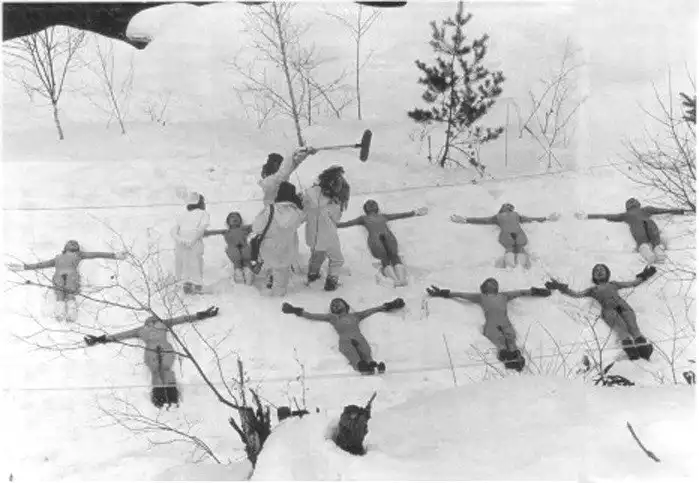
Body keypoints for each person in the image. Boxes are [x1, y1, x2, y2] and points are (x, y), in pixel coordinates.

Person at [84, 306, 220, 409]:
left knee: (158, 372)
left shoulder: (144, 329)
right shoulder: (160, 324)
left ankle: (161, 398)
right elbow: (182, 318)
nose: (152, 322)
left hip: (153, 350)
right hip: (164, 349)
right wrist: (200, 315)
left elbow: (121, 335)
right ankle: (170, 397)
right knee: (164, 370)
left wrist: (101, 339)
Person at [426, 279, 552, 371]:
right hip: (492, 323)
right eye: (489, 283)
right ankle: (505, 355)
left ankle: (515, 356)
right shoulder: (481, 297)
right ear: (485, 288)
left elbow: (520, 292)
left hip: (505, 322)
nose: (492, 284)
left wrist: (535, 291)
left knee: (510, 338)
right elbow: (462, 295)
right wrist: (444, 293)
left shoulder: (504, 295)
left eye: (494, 283)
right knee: (499, 340)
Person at [545, 264, 657, 360]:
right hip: (609, 310)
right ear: (594, 276)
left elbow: (632, 283)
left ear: (607, 273)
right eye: (596, 271)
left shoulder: (613, 284)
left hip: (623, 306)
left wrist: (644, 275)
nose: (599, 271)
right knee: (621, 329)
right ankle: (632, 353)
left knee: (633, 327)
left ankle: (644, 351)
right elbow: (576, 294)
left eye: (602, 269)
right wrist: (562, 288)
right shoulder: (592, 290)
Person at [6, 240, 126, 321]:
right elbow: (96, 254)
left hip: (58, 276)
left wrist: (23, 267)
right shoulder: (78, 255)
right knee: (69, 296)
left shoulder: (59, 257)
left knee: (60, 296)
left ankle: (60, 314)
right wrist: (114, 255)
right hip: (71, 276)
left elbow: (41, 264)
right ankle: (70, 315)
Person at [281, 297, 405, 374]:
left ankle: (372, 363)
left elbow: (371, 310)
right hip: (345, 339)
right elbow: (312, 316)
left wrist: (389, 305)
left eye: (338, 303)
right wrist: (295, 310)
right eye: (333, 305)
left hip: (358, 336)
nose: (335, 305)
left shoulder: (355, 316)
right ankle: (359, 365)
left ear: (345, 306)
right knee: (349, 350)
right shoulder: (332, 317)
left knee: (365, 349)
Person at [336, 200, 429, 287]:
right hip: (389, 237)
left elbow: (346, 224)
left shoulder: (363, 218)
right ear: (377, 209)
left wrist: (331, 224)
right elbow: (399, 215)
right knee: (395, 256)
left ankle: (395, 280)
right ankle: (402, 279)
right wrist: (415, 212)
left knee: (384, 259)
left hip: (375, 240)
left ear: (365, 210)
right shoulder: (383, 216)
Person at [575, 198, 689, 263]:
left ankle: (647, 252)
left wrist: (588, 216)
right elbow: (662, 210)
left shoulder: (626, 215)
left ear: (627, 207)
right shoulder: (646, 209)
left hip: (637, 228)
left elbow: (608, 216)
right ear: (638, 204)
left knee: (642, 243)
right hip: (649, 224)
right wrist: (678, 211)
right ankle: (658, 250)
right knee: (655, 240)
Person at [451, 203, 559, 269]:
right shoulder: (516, 215)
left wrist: (465, 220)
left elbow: (483, 220)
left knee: (510, 249)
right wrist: (546, 218)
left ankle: (511, 267)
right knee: (520, 248)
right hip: (519, 234)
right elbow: (531, 219)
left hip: (507, 236)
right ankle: (521, 268)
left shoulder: (499, 216)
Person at [251, 181, 306, 296]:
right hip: (287, 249)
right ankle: (278, 294)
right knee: (281, 273)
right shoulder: (297, 213)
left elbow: (256, 228)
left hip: (269, 248)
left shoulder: (269, 210)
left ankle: (270, 276)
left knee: (272, 264)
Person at [303, 165, 351, 291]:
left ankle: (312, 274)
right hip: (328, 236)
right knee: (337, 259)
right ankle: (331, 281)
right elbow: (336, 219)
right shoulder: (333, 202)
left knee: (317, 256)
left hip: (312, 235)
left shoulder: (310, 192)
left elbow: (304, 209)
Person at [171, 191, 210, 294]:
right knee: (195, 265)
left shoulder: (182, 214)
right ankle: (195, 288)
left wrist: (180, 240)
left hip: (183, 243)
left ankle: (187, 288)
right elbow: (201, 229)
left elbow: (174, 231)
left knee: (184, 265)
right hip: (193, 243)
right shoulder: (203, 214)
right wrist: (191, 240)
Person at [204, 212, 254, 285]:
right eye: (232, 217)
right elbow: (215, 232)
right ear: (228, 221)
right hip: (233, 250)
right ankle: (239, 278)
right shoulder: (226, 231)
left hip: (245, 248)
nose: (235, 218)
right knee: (237, 263)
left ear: (240, 221)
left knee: (247, 262)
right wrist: (206, 233)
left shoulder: (245, 228)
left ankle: (248, 277)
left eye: (237, 217)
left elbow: (257, 226)